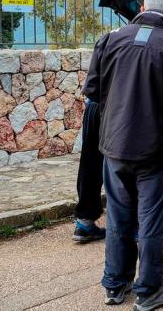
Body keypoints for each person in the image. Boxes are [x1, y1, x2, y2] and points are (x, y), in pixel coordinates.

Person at [83, 0, 163, 310]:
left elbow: (93, 91)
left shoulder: (110, 39)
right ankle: (149, 289)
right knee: (151, 220)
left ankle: (114, 284)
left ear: (141, 6)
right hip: (156, 150)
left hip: (114, 147)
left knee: (119, 217)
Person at [71, 97, 105, 243]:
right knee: (126, 163)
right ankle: (133, 226)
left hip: (94, 104)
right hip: (118, 104)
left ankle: (84, 222)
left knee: (90, 163)